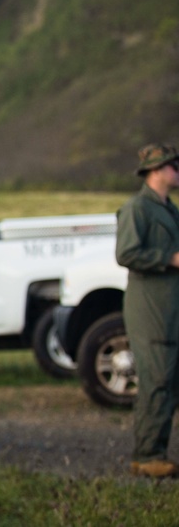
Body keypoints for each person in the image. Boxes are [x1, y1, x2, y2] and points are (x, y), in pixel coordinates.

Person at [115, 143, 179, 478]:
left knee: (169, 380)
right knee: (156, 380)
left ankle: (155, 451)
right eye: (173, 166)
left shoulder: (169, 209)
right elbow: (126, 253)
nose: (177, 171)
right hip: (150, 309)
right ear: (155, 170)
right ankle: (148, 454)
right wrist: (168, 258)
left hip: (170, 308)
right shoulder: (138, 208)